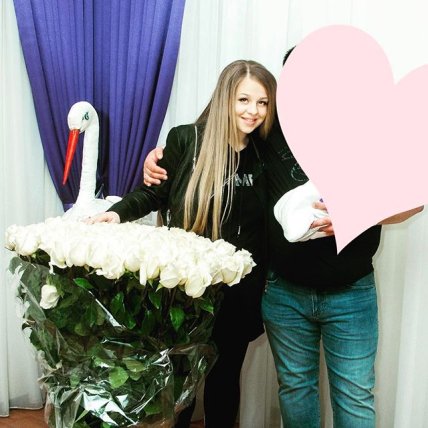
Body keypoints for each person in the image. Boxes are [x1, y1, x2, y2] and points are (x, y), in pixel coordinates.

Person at [142, 49, 423, 428]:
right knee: (295, 389)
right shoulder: (269, 132)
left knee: (355, 395)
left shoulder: (367, 131)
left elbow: (412, 200)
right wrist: (162, 157)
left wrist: (356, 213)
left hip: (351, 294)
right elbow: (218, 131)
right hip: (284, 292)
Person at [90, 59, 277, 428]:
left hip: (240, 291)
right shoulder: (185, 141)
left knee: (225, 378)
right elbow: (152, 194)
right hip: (186, 290)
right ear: (225, 98)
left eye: (262, 102)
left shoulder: (265, 152)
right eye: (244, 100)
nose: (253, 111)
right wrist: (116, 213)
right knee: (180, 385)